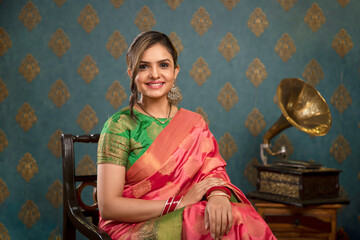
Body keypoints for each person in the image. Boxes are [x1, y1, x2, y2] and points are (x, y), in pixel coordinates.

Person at [97, 31, 276, 240]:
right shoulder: (119, 126)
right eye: (144, 66)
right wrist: (179, 203)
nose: (155, 74)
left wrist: (218, 196)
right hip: (133, 225)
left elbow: (213, 171)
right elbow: (109, 207)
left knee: (232, 215)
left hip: (186, 214)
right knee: (204, 219)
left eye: (163, 65)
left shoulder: (195, 124)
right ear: (131, 74)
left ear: (175, 71)